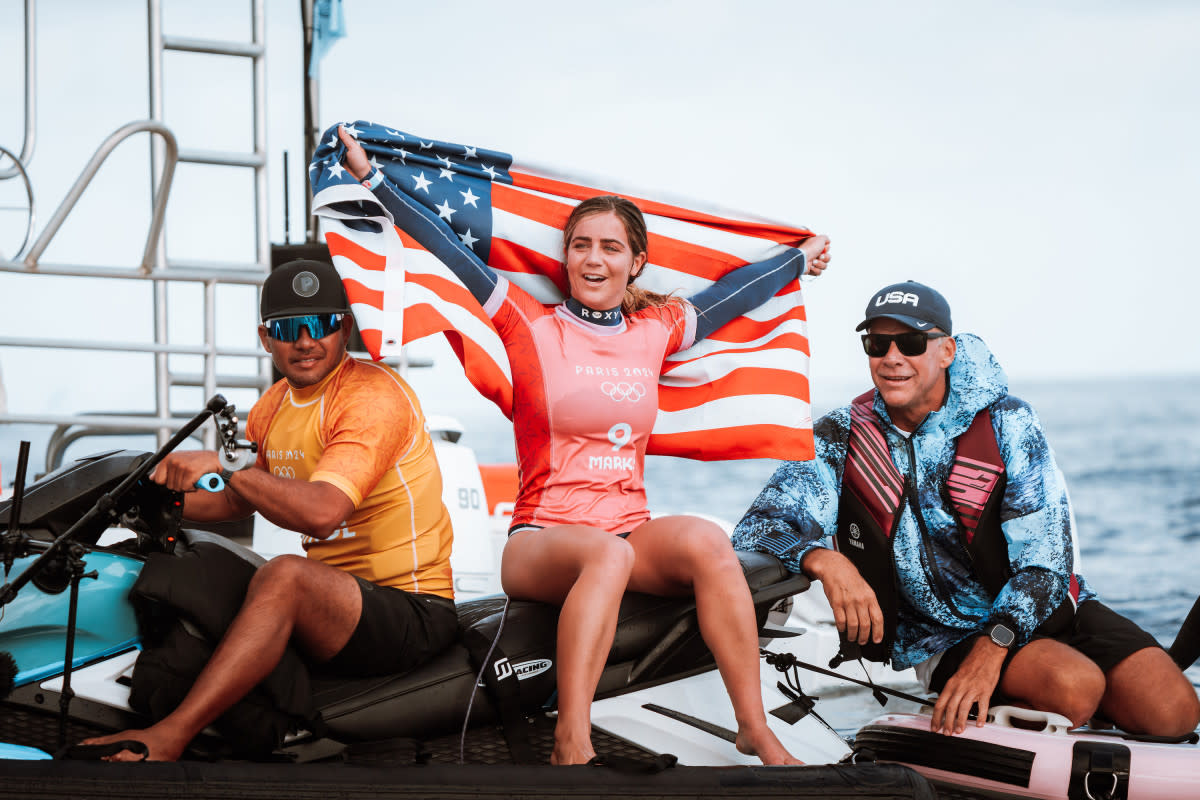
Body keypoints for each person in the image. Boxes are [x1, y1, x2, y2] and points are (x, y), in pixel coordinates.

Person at [337, 127, 830, 765]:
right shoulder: (526, 321)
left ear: (636, 263)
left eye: (610, 248)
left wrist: (797, 260)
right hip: (541, 538)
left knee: (711, 541)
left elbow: (735, 294)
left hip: (628, 531)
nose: (594, 260)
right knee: (606, 558)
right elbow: (443, 246)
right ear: (565, 256)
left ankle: (753, 725)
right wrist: (375, 180)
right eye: (581, 246)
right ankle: (573, 736)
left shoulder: (655, 329)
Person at [733, 280, 1200, 738]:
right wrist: (824, 559)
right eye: (877, 343)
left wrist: (993, 648)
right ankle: (1048, 704)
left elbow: (1048, 558)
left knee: (1175, 713)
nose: (892, 358)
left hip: (1048, 609)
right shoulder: (839, 436)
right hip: (944, 634)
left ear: (946, 351)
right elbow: (756, 529)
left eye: (911, 342)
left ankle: (1060, 703)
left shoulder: (1008, 421)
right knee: (1073, 687)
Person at [83, 259, 458, 761]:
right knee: (199, 569)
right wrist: (141, 501)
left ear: (344, 327)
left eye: (321, 324)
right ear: (266, 338)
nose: (306, 341)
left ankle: (172, 735)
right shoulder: (274, 405)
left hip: (413, 609)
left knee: (286, 576)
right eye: (287, 329)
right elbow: (240, 497)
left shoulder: (371, 397)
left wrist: (223, 465)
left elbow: (322, 511)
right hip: (341, 607)